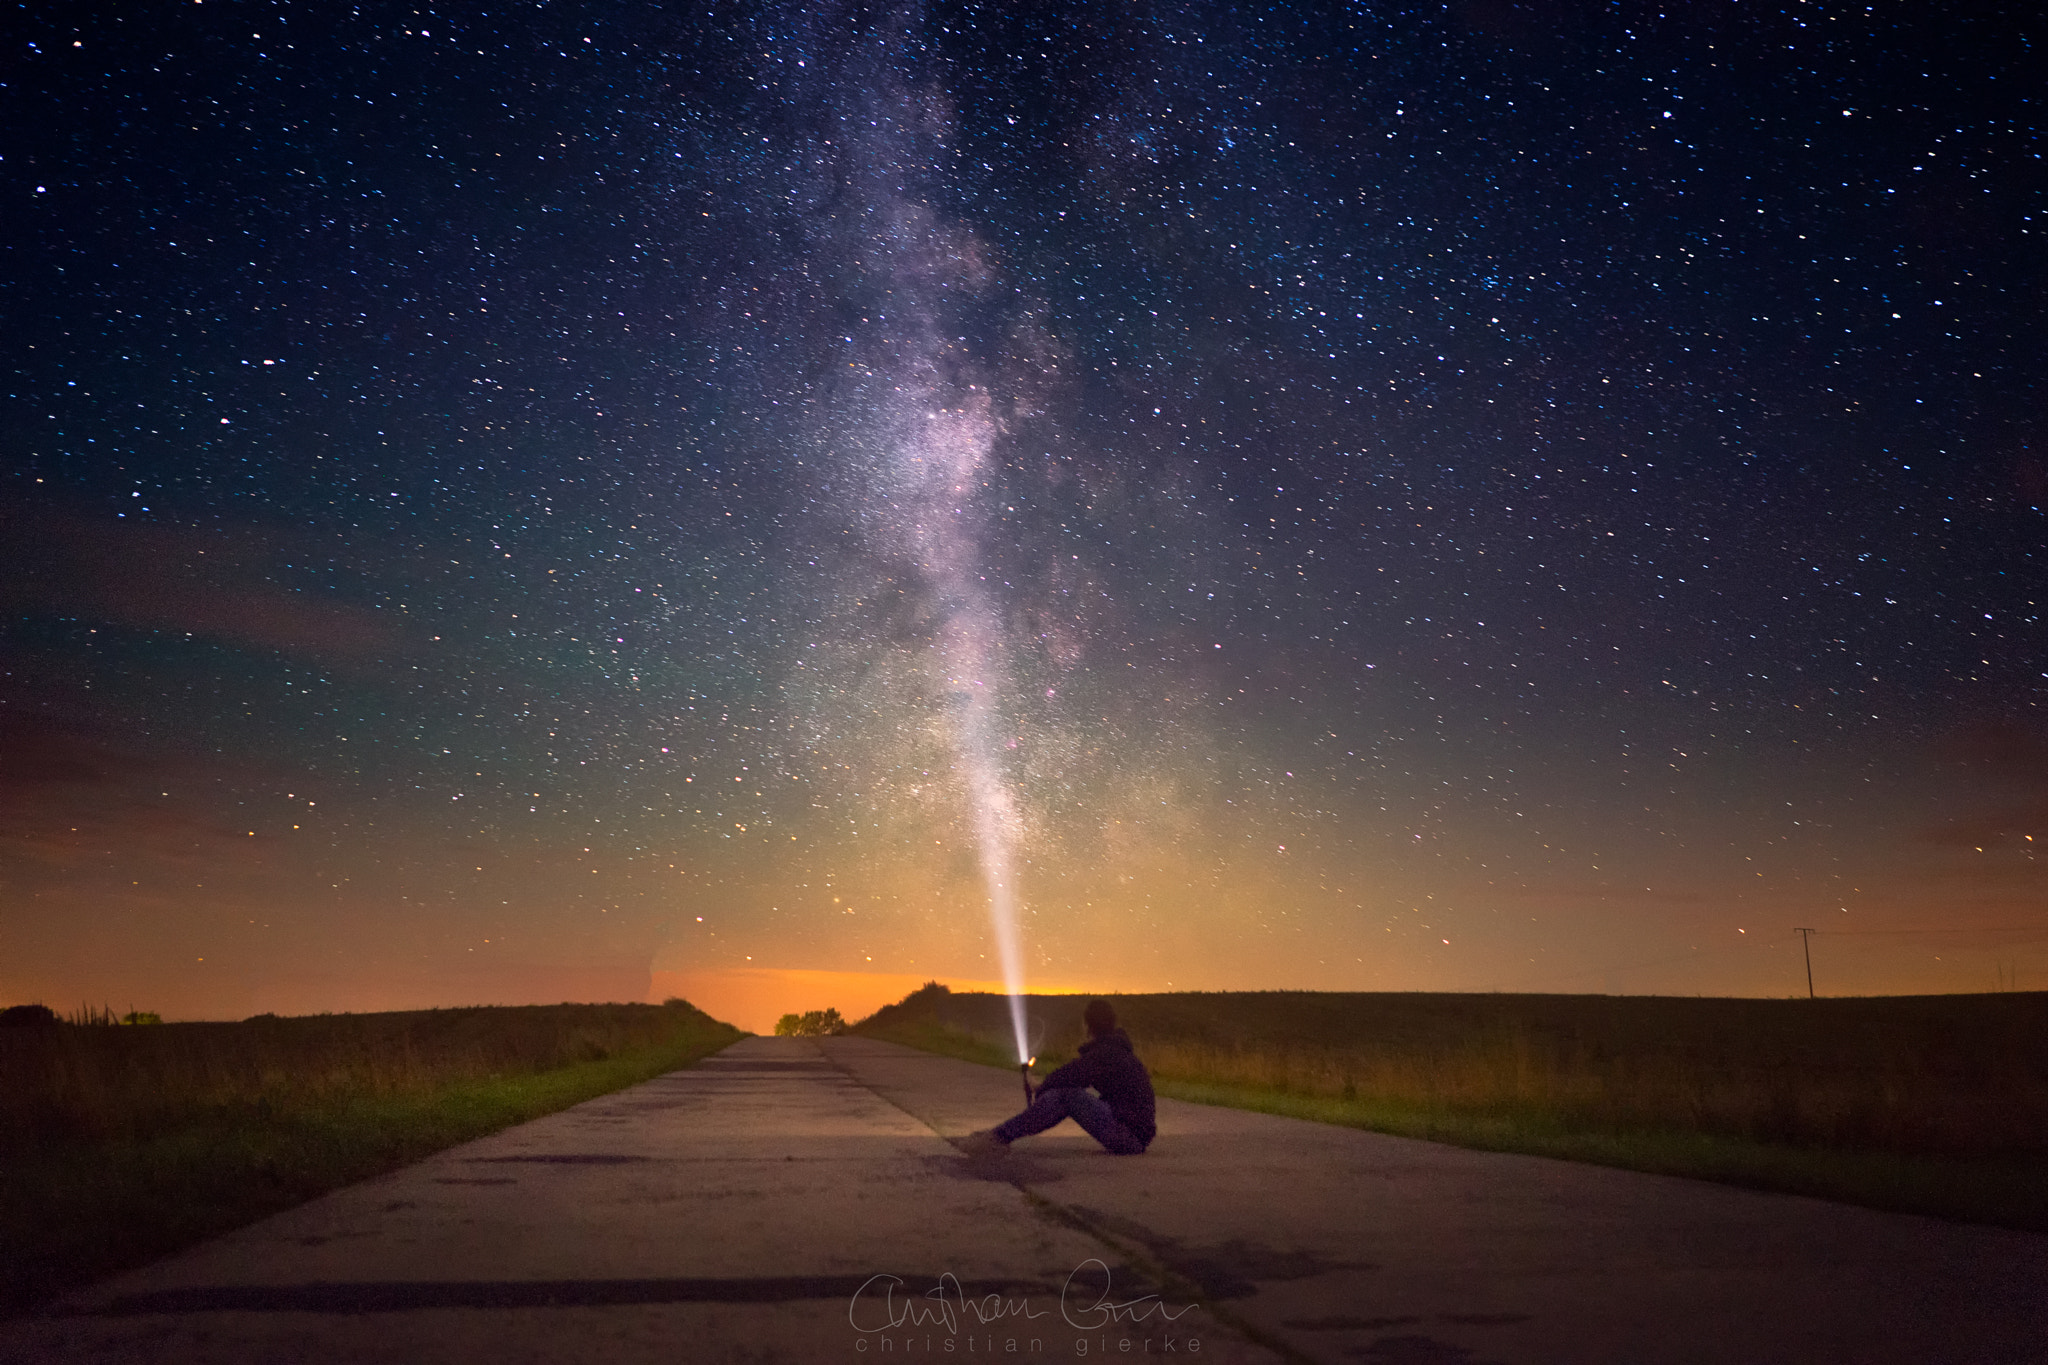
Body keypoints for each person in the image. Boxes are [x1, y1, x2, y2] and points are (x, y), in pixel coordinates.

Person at [962, 999, 1155, 1156]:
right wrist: (1045, 1089)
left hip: (1129, 1137)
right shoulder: (1114, 1050)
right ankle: (1000, 1136)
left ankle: (998, 1137)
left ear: (1088, 1025)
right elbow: (1073, 1074)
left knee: (1066, 1096)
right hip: (1132, 1134)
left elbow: (1072, 1074)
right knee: (1064, 1096)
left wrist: (1040, 1087)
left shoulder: (1106, 1053)